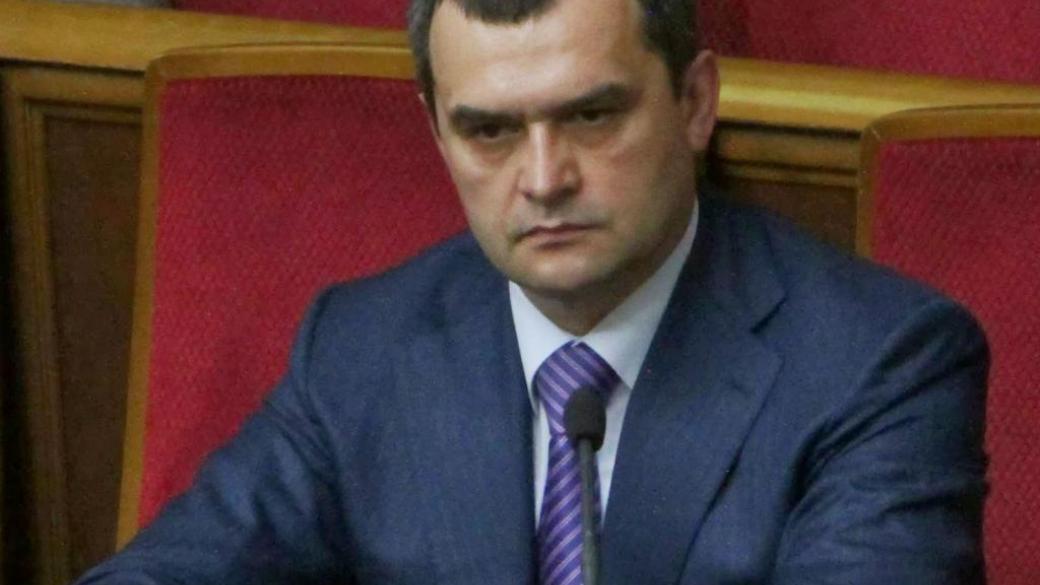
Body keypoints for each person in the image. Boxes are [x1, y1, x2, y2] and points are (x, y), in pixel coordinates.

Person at [77, 0, 988, 583]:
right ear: (436, 132)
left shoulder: (879, 363)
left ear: (695, 103)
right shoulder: (360, 345)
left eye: (591, 115)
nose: (545, 179)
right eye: (490, 131)